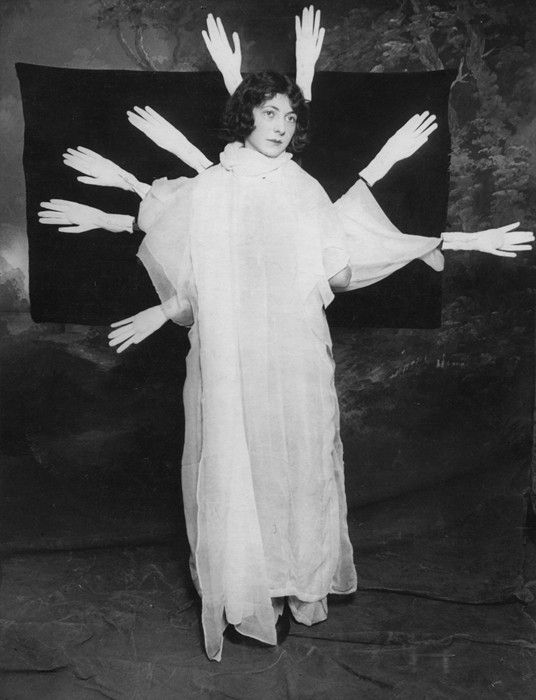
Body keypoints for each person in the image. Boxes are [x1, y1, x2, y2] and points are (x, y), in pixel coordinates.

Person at [37, 11, 533, 662]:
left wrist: (465, 240)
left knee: (293, 464)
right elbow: (201, 270)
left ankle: (289, 576)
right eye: (270, 113)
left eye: (290, 117)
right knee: (235, 463)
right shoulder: (212, 188)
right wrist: (156, 296)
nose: (282, 125)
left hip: (295, 353)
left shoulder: (300, 189)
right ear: (245, 116)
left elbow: (349, 254)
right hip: (233, 354)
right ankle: (241, 587)